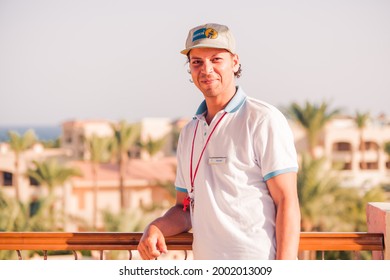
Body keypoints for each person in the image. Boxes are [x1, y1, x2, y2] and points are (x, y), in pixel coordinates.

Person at [137, 23, 301, 260]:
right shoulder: (189, 132)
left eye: (216, 59)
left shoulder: (262, 119)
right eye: (197, 62)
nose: (206, 69)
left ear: (234, 62)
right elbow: (185, 210)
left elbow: (287, 200)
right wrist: (156, 227)